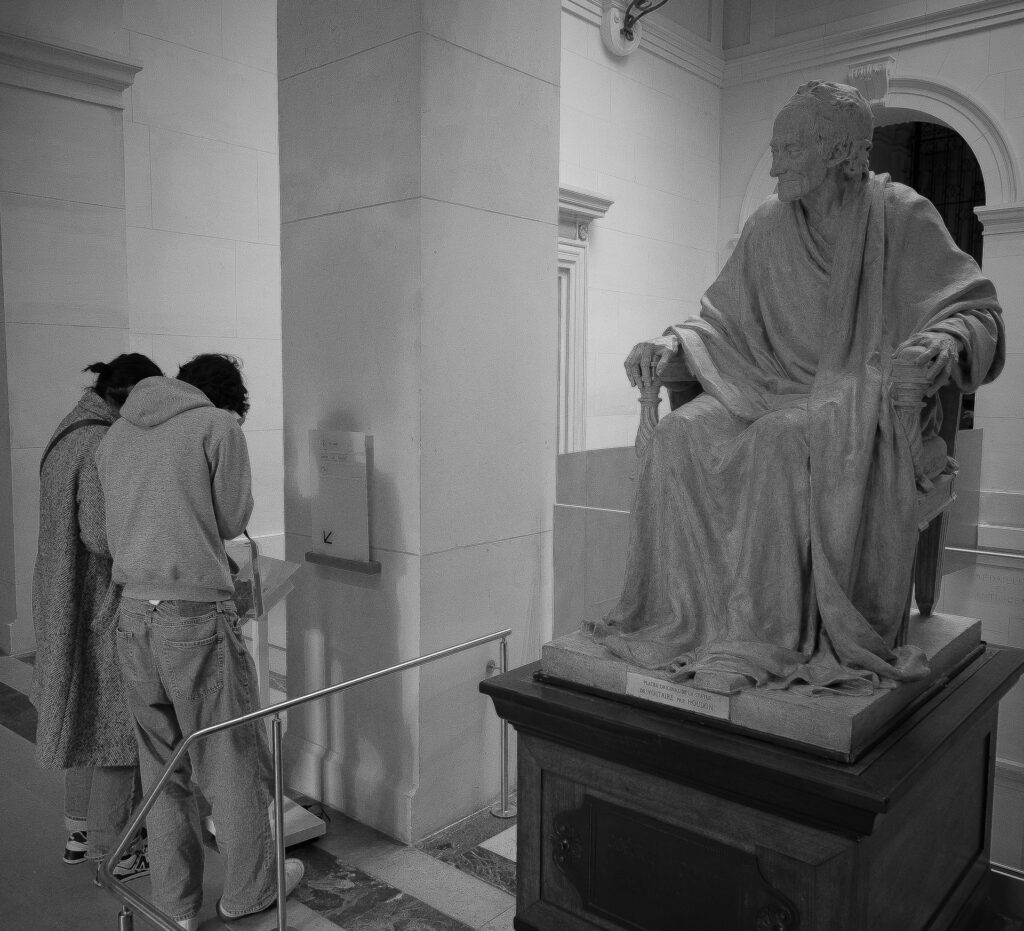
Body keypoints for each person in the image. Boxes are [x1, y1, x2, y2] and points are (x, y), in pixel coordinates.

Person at [588, 81, 1004, 696]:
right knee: (678, 434)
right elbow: (722, 320)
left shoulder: (901, 217)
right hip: (759, 383)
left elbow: (977, 312)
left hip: (854, 399)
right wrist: (675, 345)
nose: (775, 166)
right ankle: (678, 618)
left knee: (779, 441)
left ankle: (762, 637)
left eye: (789, 150)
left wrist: (946, 340)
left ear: (837, 152)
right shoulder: (767, 224)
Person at [95, 354, 302, 931]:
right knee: (229, 758)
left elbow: (113, 533)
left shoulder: (114, 438)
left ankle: (176, 905)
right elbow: (232, 519)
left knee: (162, 767)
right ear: (225, 399)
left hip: (133, 614)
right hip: (194, 616)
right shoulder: (215, 426)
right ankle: (250, 891)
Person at [31, 353, 162, 876]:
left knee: (82, 719)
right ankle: (119, 853)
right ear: (127, 398)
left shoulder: (68, 430)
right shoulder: (100, 442)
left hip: (63, 595)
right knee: (115, 729)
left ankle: (78, 834)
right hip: (95, 601)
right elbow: (101, 535)